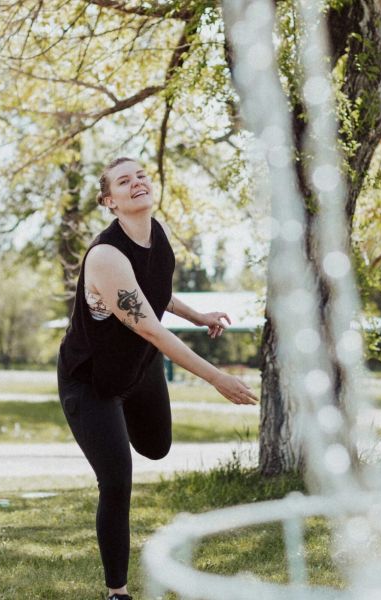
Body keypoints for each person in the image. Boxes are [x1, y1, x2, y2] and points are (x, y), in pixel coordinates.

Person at [57, 156, 259, 600]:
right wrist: (216, 379)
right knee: (116, 480)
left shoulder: (157, 235)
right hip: (91, 382)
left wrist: (197, 313)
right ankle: (117, 592)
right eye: (124, 182)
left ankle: (118, 426)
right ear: (110, 201)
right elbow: (148, 325)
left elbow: (154, 294)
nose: (138, 183)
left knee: (157, 446)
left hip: (137, 369)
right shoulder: (106, 255)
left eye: (142, 175)